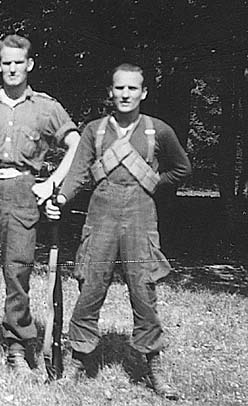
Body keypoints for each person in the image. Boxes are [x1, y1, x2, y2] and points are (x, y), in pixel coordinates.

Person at [46, 63, 191, 399]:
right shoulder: (95, 130)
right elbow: (78, 174)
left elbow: (182, 169)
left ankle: (154, 365)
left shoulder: (159, 131)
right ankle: (80, 358)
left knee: (144, 291)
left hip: (141, 215)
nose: (125, 95)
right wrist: (61, 200)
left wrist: (154, 183)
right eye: (119, 88)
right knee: (90, 288)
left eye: (132, 89)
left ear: (143, 93)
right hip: (101, 215)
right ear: (110, 92)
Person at [0, 34, 80, 375]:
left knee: (18, 274)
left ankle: (17, 350)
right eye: (6, 63)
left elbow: (76, 144)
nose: (12, 69)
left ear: (29, 65)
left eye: (18, 62)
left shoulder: (46, 108)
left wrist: (52, 183)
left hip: (23, 193)